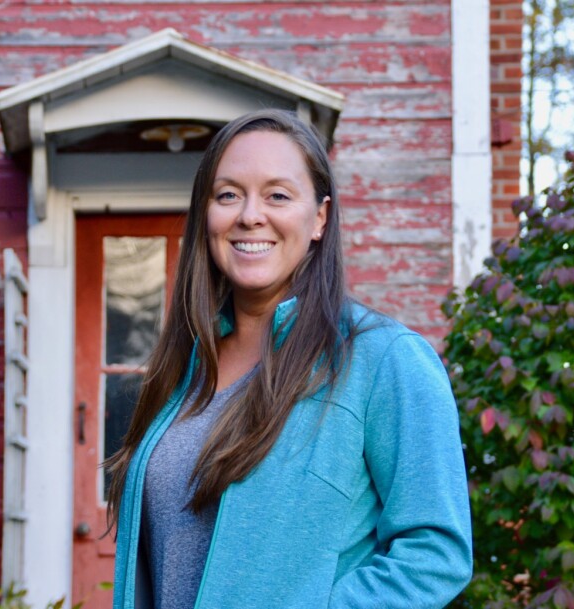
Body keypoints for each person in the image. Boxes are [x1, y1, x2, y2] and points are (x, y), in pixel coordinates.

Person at [105, 109, 472, 609]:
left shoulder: (384, 360)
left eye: (277, 195)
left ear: (319, 218)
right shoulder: (187, 365)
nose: (250, 215)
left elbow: (435, 553)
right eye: (228, 194)